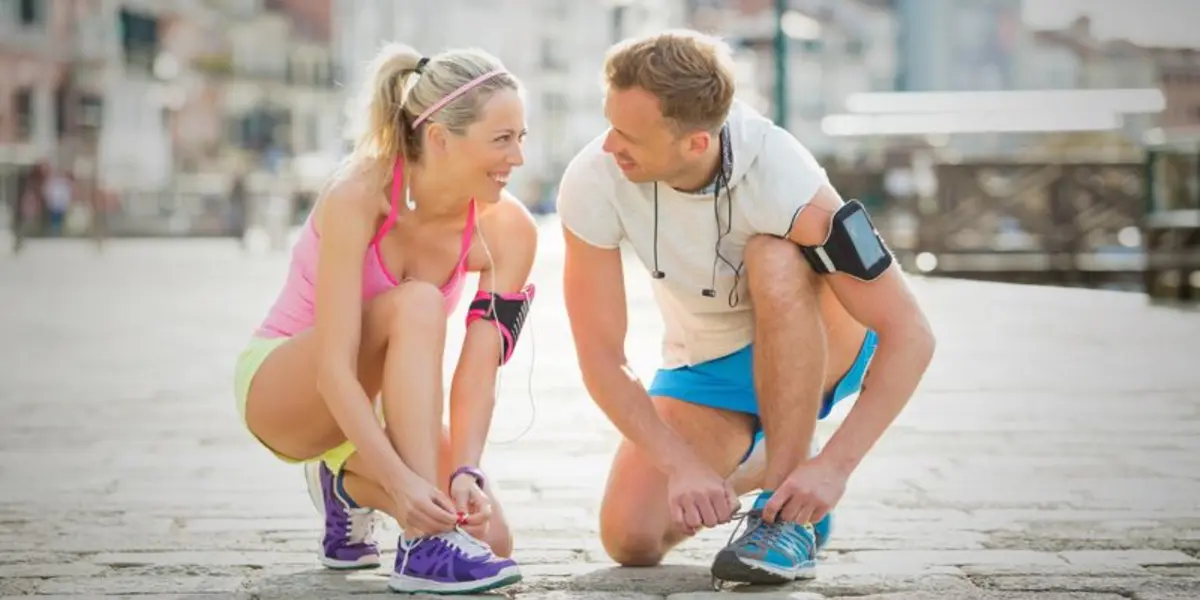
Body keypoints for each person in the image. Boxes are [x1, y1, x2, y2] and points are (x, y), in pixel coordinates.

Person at [556, 30, 936, 586]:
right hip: (708, 361)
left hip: (823, 334)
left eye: (629, 135)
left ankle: (783, 520)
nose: (610, 146)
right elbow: (600, 357)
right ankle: (783, 480)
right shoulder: (594, 179)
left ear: (696, 143)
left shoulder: (786, 177)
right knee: (631, 537)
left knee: (774, 254)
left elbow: (911, 333)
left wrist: (834, 470)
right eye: (609, 124)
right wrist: (681, 466)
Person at [232, 42, 538, 595]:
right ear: (441, 138)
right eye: (501, 139)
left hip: (385, 405)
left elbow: (479, 371)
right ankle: (421, 548)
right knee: (418, 301)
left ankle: (345, 487)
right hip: (291, 389)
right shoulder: (360, 195)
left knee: (491, 540)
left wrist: (467, 471)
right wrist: (402, 487)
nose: (517, 157)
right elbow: (332, 369)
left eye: (521, 138)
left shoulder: (510, 230)